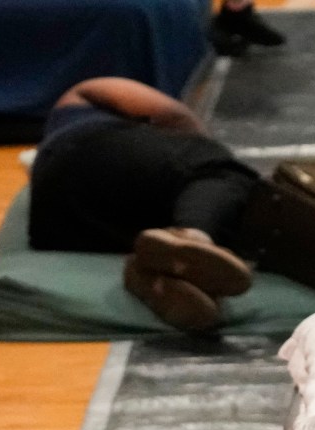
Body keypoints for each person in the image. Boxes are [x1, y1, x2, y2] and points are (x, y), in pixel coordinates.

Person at [27, 77, 260, 332]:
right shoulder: (81, 93)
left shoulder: (57, 140)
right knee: (219, 172)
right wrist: (206, 153)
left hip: (56, 220)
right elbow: (173, 114)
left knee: (202, 210)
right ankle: (192, 238)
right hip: (90, 146)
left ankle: (154, 275)